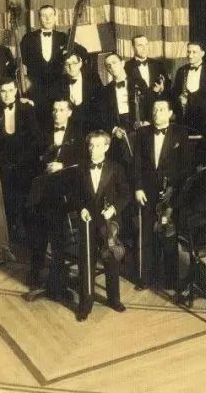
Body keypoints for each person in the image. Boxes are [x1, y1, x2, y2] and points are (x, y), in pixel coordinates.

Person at [27, 99, 83, 298]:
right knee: (38, 235)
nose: (57, 113)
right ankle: (36, 275)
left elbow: (83, 160)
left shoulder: (78, 134)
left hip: (64, 195)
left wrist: (63, 165)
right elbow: (32, 158)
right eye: (54, 109)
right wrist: (43, 163)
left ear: (69, 112)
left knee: (58, 237)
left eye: (61, 109)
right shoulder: (43, 133)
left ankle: (59, 282)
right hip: (42, 193)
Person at [132, 99, 186, 296]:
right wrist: (138, 188)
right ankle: (146, 278)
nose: (156, 113)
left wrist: (175, 193)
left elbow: (185, 166)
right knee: (146, 234)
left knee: (169, 235)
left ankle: (171, 279)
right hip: (147, 192)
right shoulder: (142, 133)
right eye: (154, 109)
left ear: (170, 113)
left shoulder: (180, 133)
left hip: (170, 192)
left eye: (162, 109)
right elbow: (136, 164)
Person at [73, 130, 129, 320]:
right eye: (91, 145)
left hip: (109, 223)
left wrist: (114, 208)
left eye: (97, 146)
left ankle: (114, 299)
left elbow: (125, 194)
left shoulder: (116, 168)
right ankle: (85, 303)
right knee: (85, 262)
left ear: (106, 147)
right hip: (88, 221)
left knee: (111, 260)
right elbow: (75, 194)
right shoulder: (80, 168)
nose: (93, 149)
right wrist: (81, 208)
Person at [0, 78, 40, 244]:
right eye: (3, 91)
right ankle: (11, 234)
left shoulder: (27, 109)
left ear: (16, 91)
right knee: (7, 199)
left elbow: (34, 139)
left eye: (10, 90)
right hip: (4, 164)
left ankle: (27, 234)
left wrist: (22, 161)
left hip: (25, 163)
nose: (7, 95)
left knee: (26, 199)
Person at [172, 40, 206, 139]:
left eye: (194, 52)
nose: (190, 55)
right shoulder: (181, 71)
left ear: (202, 53)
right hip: (185, 120)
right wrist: (179, 99)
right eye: (188, 52)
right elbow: (175, 93)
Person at [125, 34, 172, 121]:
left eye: (146, 44)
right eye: (140, 45)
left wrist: (161, 90)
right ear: (133, 48)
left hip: (157, 112)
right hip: (138, 115)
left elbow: (168, 86)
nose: (144, 48)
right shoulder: (126, 67)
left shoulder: (158, 64)